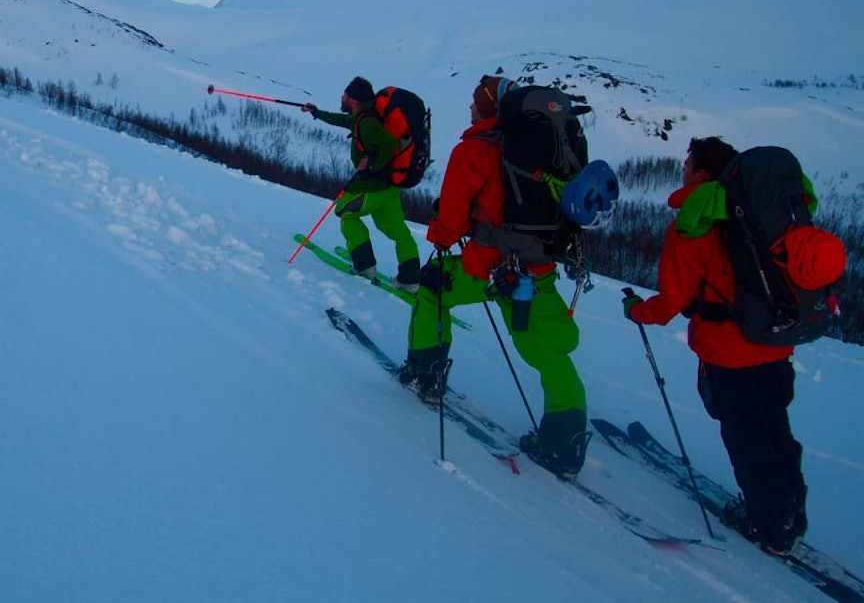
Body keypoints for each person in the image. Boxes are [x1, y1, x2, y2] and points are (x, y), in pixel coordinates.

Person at [623, 136, 808, 556]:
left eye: (688, 164)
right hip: (776, 341)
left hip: (729, 349)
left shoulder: (696, 218)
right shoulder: (761, 212)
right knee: (776, 427)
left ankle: (770, 526)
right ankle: (791, 510)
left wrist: (638, 311)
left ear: (703, 174)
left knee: (746, 437)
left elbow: (672, 300)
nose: (683, 170)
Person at [403, 75, 589, 477]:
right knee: (546, 351)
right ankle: (565, 443)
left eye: (475, 101)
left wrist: (440, 235)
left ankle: (425, 375)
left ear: (489, 106)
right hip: (537, 266)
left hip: (484, 266)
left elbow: (450, 221)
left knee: (433, 288)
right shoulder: (542, 148)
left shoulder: (475, 149)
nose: (470, 107)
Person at [302, 77, 421, 291]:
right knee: (398, 231)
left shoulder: (366, 122)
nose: (342, 97)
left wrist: (372, 163)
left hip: (372, 187)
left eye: (345, 94)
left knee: (345, 212)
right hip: (389, 187)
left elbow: (389, 143)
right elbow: (343, 121)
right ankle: (410, 279)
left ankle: (365, 266)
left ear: (354, 99)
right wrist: (317, 113)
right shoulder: (364, 115)